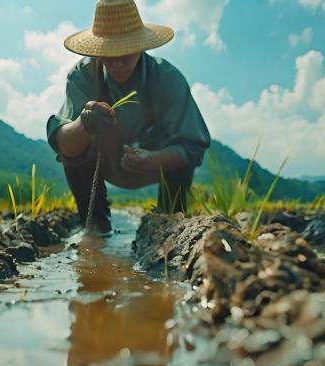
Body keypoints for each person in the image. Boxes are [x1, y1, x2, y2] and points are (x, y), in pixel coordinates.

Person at [46, 0, 210, 232]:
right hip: (104, 162)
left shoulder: (168, 79)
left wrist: (152, 158)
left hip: (156, 163)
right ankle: (95, 227)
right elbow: (63, 144)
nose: (119, 62)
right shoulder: (82, 76)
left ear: (141, 46)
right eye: (110, 53)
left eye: (126, 51)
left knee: (180, 163)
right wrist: (83, 124)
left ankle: (170, 225)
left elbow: (192, 147)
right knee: (75, 143)